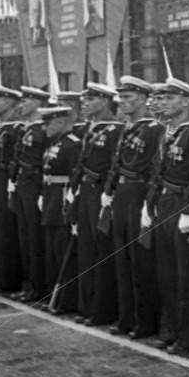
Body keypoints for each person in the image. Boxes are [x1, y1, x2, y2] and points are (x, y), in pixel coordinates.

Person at [147, 78, 189, 353]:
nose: (165, 103)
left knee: (188, 276)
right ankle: (170, 329)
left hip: (181, 204)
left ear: (186, 102)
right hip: (164, 202)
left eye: (171, 98)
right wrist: (149, 205)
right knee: (167, 273)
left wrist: (187, 212)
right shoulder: (170, 132)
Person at [102, 76, 165, 339]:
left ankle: (145, 320)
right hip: (123, 193)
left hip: (139, 192)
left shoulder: (153, 128)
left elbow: (155, 168)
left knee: (140, 261)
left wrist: (149, 203)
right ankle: (126, 317)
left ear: (142, 99)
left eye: (128, 98)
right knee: (122, 259)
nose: (123, 102)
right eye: (121, 98)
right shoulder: (126, 128)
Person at [70, 82, 123, 325]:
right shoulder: (88, 129)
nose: (86, 103)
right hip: (85, 189)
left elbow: (113, 164)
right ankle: (86, 305)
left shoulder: (115, 129)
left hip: (101, 190)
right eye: (85, 99)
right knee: (86, 248)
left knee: (101, 249)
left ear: (104, 101)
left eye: (91, 99)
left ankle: (102, 309)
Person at [10, 86, 52, 302]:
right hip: (23, 182)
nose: (22, 105)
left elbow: (46, 161)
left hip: (35, 182)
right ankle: (29, 285)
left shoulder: (43, 129)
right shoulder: (28, 128)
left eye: (27, 101)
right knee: (25, 235)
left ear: (38, 103)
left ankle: (39, 288)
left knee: (34, 237)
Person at [39, 104, 82, 315]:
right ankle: (53, 295)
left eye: (48, 122)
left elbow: (75, 176)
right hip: (51, 198)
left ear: (61, 122)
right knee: (53, 251)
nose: (44, 127)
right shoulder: (55, 143)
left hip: (63, 200)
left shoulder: (72, 144)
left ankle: (66, 300)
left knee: (64, 250)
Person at [0, 85, 25, 294]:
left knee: (7, 229)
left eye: (0, 100)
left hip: (8, 179)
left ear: (10, 102)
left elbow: (17, 158)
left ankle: (9, 279)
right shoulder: (1, 126)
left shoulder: (17, 128)